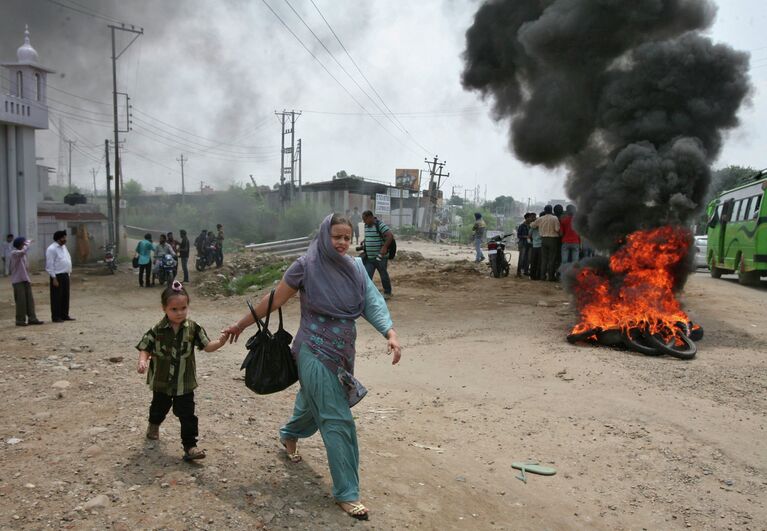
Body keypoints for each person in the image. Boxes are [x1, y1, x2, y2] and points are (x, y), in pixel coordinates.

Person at [223, 213, 401, 521]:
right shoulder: (306, 266)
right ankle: (347, 492)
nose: (343, 243)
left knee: (311, 403)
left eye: (347, 237)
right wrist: (240, 324)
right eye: (337, 237)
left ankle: (289, 433)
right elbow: (274, 300)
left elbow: (372, 302)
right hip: (313, 351)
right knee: (336, 417)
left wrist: (390, 333)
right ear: (324, 236)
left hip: (343, 352)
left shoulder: (357, 268)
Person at [136, 281, 228, 462]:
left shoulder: (193, 328)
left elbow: (207, 346)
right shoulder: (157, 329)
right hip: (161, 381)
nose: (180, 313)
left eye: (183, 308)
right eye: (174, 309)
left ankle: (190, 446)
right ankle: (154, 425)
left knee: (187, 415)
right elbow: (145, 346)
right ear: (164, 309)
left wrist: (220, 342)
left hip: (184, 382)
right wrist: (142, 361)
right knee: (158, 408)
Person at [9, 237, 43, 326]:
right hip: (17, 281)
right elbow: (23, 251)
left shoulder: (23, 255)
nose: (24, 245)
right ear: (20, 244)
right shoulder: (14, 253)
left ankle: (32, 318)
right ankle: (20, 320)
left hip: (25, 279)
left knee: (29, 301)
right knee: (21, 301)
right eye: (23, 244)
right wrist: (28, 242)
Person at [360, 210, 393, 299]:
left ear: (371, 217)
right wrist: (365, 241)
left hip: (380, 257)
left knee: (383, 274)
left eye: (365, 219)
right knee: (367, 275)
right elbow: (369, 236)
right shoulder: (366, 226)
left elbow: (390, 236)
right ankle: (366, 293)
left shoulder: (380, 225)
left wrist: (384, 247)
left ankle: (387, 292)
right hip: (370, 257)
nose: (364, 221)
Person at [45, 230, 74, 322]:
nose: (65, 239)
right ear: (58, 238)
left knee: (65, 296)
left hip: (65, 274)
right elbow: (50, 265)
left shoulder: (64, 247)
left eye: (65, 237)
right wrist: (54, 278)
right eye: (63, 238)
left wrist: (68, 273)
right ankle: (56, 316)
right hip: (57, 276)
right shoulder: (52, 249)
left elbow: (67, 259)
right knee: (57, 297)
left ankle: (64, 315)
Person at [530, 206, 560, 281]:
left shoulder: (541, 218)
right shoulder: (555, 218)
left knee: (544, 259)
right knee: (552, 259)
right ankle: (551, 277)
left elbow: (532, 225)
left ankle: (542, 276)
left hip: (543, 240)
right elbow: (557, 229)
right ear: (551, 210)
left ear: (545, 210)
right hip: (553, 240)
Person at [516, 213, 533, 277]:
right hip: (523, 244)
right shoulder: (522, 226)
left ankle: (526, 271)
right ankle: (518, 272)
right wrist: (525, 236)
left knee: (528, 259)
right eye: (530, 217)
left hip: (529, 244)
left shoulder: (531, 225)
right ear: (527, 218)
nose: (531, 219)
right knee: (521, 258)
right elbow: (518, 235)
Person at [529, 213, 542, 280]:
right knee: (539, 262)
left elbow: (529, 235)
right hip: (541, 245)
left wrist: (531, 241)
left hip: (534, 245)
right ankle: (538, 276)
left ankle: (532, 276)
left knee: (533, 261)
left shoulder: (533, 226)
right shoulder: (542, 225)